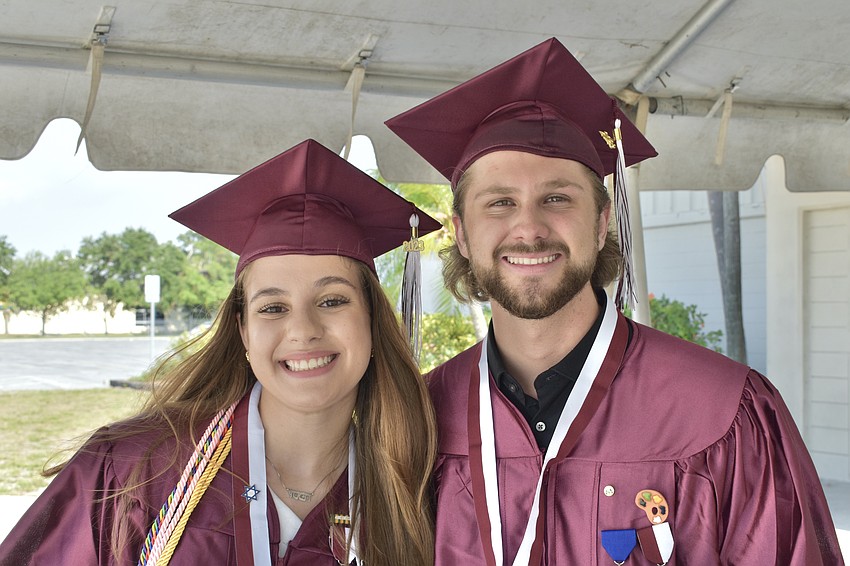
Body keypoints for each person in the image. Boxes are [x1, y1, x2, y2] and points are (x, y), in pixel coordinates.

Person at [386, 37, 844, 565]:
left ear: (602, 223)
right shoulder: (419, 418)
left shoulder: (723, 411)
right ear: (463, 235)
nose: (529, 228)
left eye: (557, 198)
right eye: (500, 203)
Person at [0, 139, 440, 566]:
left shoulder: (413, 486)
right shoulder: (137, 471)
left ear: (373, 320)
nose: (303, 330)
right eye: (272, 307)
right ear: (243, 332)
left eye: (332, 301)